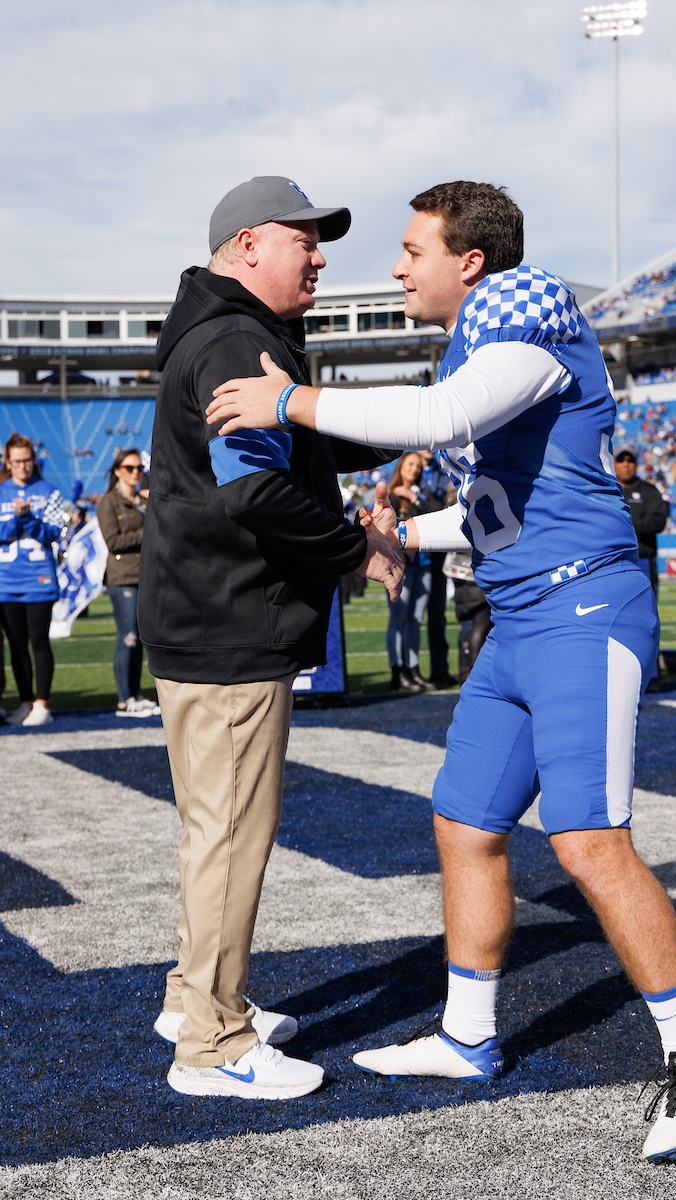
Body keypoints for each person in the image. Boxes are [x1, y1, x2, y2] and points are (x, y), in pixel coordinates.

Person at [205, 179, 676, 1163]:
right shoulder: (484, 346)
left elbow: (436, 415)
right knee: (463, 822)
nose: (397, 266)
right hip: (523, 615)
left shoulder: (526, 329)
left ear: (471, 262)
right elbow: (495, 511)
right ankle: (466, 1036)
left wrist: (289, 401)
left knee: (585, 843)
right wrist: (394, 533)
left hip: (582, 612)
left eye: (412, 250)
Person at [137, 175, 402, 1101]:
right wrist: (351, 547)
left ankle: (192, 997)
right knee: (232, 838)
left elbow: (297, 443)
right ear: (249, 245)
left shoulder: (220, 331)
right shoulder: (238, 338)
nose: (321, 255)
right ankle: (211, 1041)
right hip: (230, 625)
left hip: (203, 619)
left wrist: (410, 425)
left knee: (212, 832)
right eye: (305, 240)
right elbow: (251, 487)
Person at [0, 433, 64, 727]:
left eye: (27, 460)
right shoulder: (1, 491)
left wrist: (27, 519)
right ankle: (25, 702)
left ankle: (42, 703)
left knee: (39, 641)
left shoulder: (50, 492)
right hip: (7, 581)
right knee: (16, 645)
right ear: (7, 462)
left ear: (33, 461)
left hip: (38, 580)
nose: (22, 466)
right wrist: (17, 518)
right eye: (16, 461)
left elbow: (53, 534)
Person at [96, 449, 160, 717]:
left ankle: (135, 695)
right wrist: (146, 532)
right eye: (130, 468)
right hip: (122, 578)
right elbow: (113, 542)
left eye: (139, 469)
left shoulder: (144, 501)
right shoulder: (108, 502)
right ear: (118, 471)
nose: (136, 473)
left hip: (146, 576)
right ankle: (124, 699)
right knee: (128, 638)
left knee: (142, 640)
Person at [386, 452, 434, 692]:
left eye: (418, 466)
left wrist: (414, 498)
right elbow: (388, 533)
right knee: (399, 619)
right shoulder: (391, 497)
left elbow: (437, 512)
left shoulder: (420, 495)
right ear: (401, 466)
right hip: (400, 566)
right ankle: (398, 670)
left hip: (423, 565)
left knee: (415, 621)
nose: (415, 469)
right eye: (410, 464)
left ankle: (413, 670)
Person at [418, 449, 458, 688]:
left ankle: (439, 668)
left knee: (437, 615)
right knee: (407, 618)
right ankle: (405, 671)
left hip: (437, 553)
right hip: (414, 554)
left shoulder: (443, 468)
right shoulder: (410, 468)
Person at [613, 444, 669, 593]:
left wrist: (625, 527)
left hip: (643, 560)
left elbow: (658, 521)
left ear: (636, 464)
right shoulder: (607, 490)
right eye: (621, 460)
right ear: (613, 463)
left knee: (646, 611)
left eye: (630, 460)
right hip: (612, 561)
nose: (626, 464)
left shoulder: (649, 491)